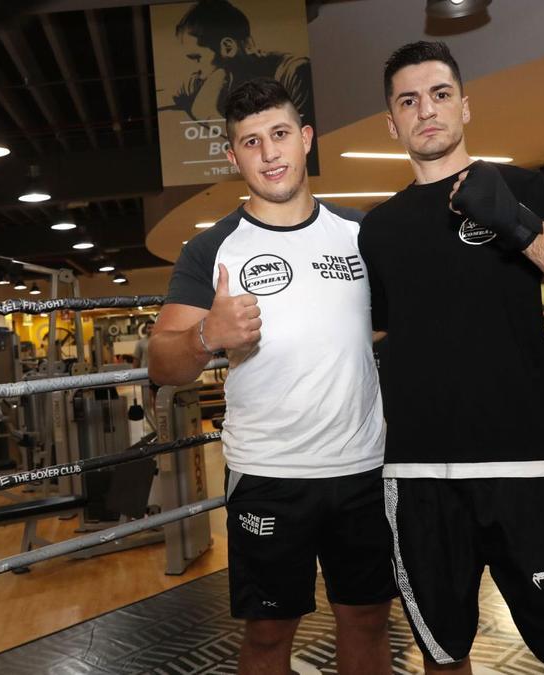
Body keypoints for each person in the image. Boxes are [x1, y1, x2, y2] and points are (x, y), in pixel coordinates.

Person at [359, 41, 544, 675]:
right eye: (408, 100)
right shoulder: (378, 228)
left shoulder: (526, 189)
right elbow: (373, 341)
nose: (425, 110)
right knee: (442, 657)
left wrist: (520, 224)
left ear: (464, 105)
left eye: (439, 94)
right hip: (419, 478)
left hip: (530, 467)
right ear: (392, 123)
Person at [149, 77, 396, 675]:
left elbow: (394, 328)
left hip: (361, 467)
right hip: (267, 474)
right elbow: (161, 363)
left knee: (366, 620)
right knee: (266, 634)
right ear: (233, 157)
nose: (269, 153)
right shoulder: (211, 250)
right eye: (251, 142)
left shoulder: (363, 234)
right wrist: (209, 334)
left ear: (306, 139)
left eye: (280, 134)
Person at [166, 0, 313, 127]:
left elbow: (299, 142)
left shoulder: (293, 72)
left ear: (228, 48)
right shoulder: (198, 81)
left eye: (197, 58)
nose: (194, 70)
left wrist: (208, 115)